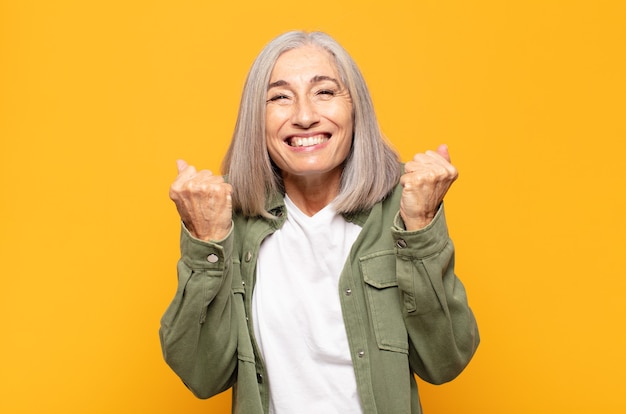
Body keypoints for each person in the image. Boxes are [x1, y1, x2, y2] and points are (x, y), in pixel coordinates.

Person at [160, 30, 479, 414]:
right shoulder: (225, 215)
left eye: (325, 92)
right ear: (255, 120)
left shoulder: (405, 204)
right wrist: (206, 243)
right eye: (279, 97)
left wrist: (421, 229)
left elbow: (446, 361)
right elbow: (202, 375)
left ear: (355, 108)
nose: (306, 116)